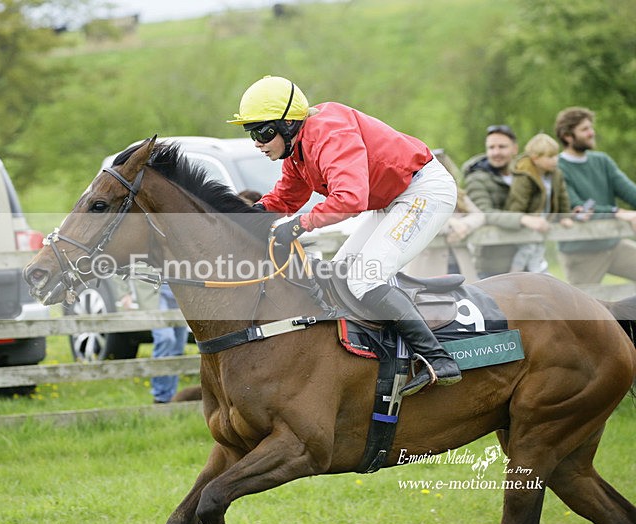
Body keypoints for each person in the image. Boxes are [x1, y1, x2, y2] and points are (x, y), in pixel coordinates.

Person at [227, 75, 461, 396]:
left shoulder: (329, 134)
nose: (256, 142)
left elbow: (350, 199)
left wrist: (297, 226)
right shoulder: (297, 151)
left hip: (423, 191)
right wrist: (241, 218)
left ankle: (438, 360)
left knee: (365, 278)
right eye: (250, 132)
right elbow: (285, 199)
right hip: (390, 200)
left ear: (289, 124)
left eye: (262, 131)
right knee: (340, 274)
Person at [553, 107, 636, 284]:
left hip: (612, 245)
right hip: (580, 252)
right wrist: (616, 212)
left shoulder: (602, 161)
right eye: (584, 129)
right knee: (580, 308)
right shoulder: (557, 167)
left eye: (591, 128)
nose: (592, 133)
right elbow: (578, 207)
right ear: (567, 136)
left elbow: (631, 192)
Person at [463, 125, 550, 277]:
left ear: (515, 149)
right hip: (493, 264)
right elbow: (485, 213)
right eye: (491, 147)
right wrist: (524, 219)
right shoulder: (476, 178)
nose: (496, 152)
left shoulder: (526, 174)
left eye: (502, 147)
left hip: (531, 258)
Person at [405, 150, 485, 281]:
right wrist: (451, 224)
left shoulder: (457, 194)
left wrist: (465, 225)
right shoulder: (416, 195)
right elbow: (416, 221)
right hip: (428, 267)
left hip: (459, 264)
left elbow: (479, 216)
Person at [504, 133, 574, 273]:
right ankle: (515, 274)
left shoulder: (555, 174)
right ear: (535, 158)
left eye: (556, 155)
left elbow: (562, 196)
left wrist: (565, 216)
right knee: (527, 248)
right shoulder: (524, 175)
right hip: (528, 222)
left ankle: (539, 275)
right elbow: (518, 201)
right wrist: (522, 220)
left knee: (538, 249)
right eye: (550, 157)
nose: (555, 160)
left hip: (544, 221)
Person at [150, 283, 188, 403]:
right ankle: (160, 396)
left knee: (178, 345)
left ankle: (170, 396)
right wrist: (124, 293)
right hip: (155, 291)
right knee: (166, 338)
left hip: (179, 290)